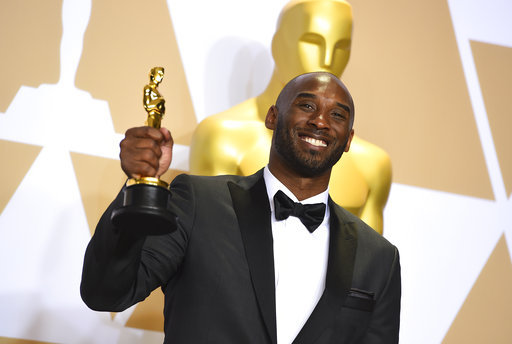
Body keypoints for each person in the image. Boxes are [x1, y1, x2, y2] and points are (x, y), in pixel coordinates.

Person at [81, 72, 401, 344]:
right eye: (306, 105)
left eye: (338, 115)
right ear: (272, 116)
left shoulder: (379, 257)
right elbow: (106, 293)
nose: (320, 121)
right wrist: (139, 186)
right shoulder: (199, 202)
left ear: (348, 139)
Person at [189, 0, 392, 234]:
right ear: (278, 45)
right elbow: (210, 248)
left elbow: (367, 264)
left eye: (341, 46)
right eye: (312, 42)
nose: (327, 59)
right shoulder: (221, 137)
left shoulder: (373, 165)